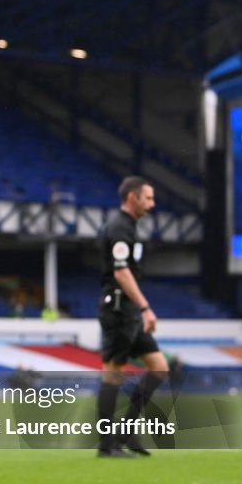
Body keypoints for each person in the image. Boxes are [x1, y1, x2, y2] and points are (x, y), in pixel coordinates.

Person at [96, 176, 169, 458]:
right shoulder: (118, 227)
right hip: (118, 310)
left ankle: (126, 430)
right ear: (132, 197)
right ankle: (106, 445)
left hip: (129, 312)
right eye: (148, 198)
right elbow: (121, 272)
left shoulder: (130, 227)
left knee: (159, 367)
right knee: (113, 374)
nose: (152, 204)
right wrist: (145, 307)